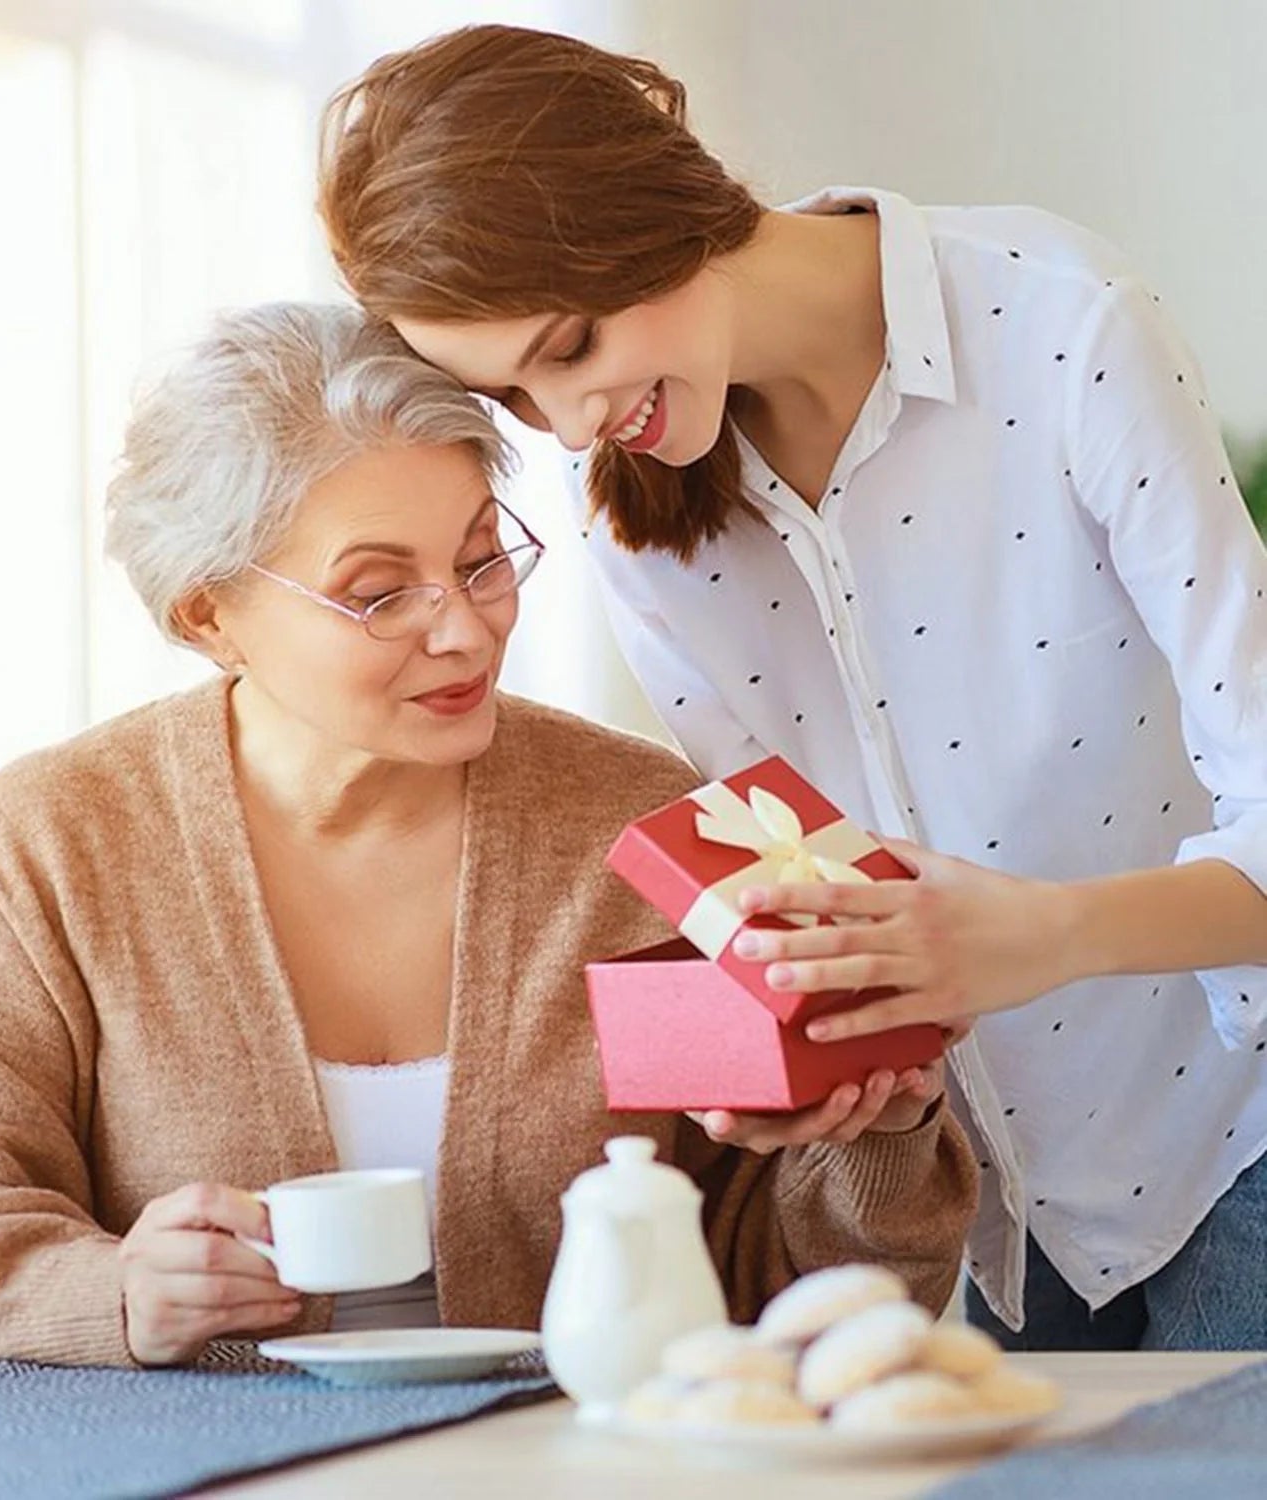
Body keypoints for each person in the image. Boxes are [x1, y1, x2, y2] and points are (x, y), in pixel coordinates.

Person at [317, 25, 1267, 1351]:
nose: (574, 419)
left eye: (572, 343)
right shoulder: (641, 523)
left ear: (654, 205)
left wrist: (1045, 935)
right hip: (1000, 1211)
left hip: (1232, 1132)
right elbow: (815, 890)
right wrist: (818, 1054)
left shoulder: (1058, 324)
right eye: (518, 397)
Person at [0, 303, 975, 1367]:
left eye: (483, 560)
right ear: (208, 613)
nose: (464, 632)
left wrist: (882, 1123)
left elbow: (802, 1298)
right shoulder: (57, 841)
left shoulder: (646, 827)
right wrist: (111, 1293)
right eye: (381, 594)